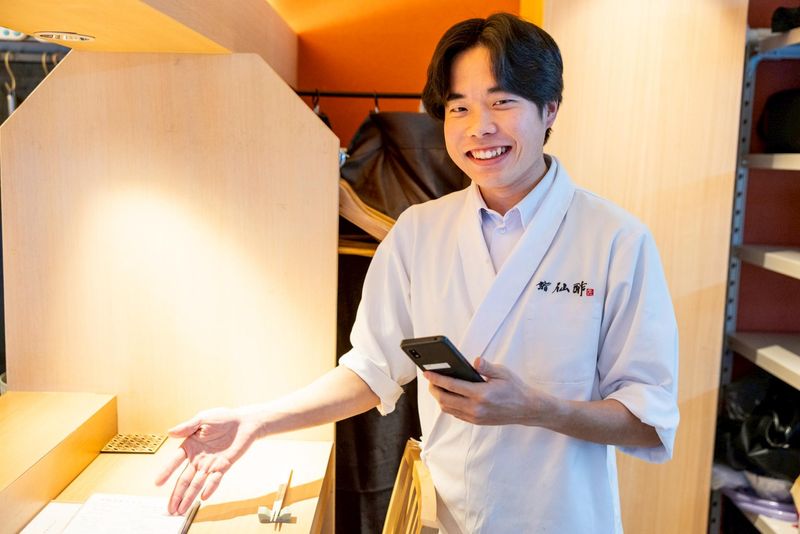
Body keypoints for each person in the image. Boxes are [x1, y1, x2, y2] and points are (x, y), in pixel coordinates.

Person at [156, 13, 679, 533]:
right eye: (459, 107)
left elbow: (648, 421)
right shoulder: (418, 231)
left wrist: (536, 408)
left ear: (549, 109)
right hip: (443, 517)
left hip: (563, 520)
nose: (479, 127)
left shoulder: (615, 240)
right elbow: (370, 370)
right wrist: (258, 420)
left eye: (501, 102)